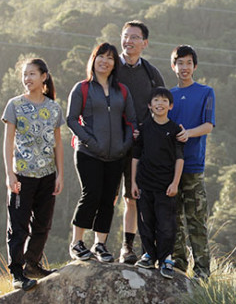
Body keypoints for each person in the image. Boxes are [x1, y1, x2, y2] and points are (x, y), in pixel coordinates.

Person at [66, 43, 136, 262]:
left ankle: (100, 245)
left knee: (108, 199)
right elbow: (71, 119)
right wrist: (88, 141)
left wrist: (124, 145)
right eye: (101, 57)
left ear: (115, 64)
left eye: (110, 58)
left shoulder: (122, 90)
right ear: (93, 60)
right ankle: (77, 243)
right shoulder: (82, 88)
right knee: (91, 194)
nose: (105, 62)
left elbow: (131, 121)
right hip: (88, 153)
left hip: (116, 155)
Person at [1, 58, 65, 291]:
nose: (27, 79)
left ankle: (33, 264)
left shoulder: (54, 107)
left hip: (47, 176)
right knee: (18, 226)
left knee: (42, 225)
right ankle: (17, 273)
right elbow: (8, 142)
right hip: (22, 175)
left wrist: (60, 175)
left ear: (44, 77)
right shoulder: (15, 105)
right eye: (24, 75)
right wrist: (10, 174)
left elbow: (58, 143)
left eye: (32, 74)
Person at [116, 20, 166, 264]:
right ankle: (97, 245)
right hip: (110, 143)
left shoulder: (151, 73)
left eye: (135, 37)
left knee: (132, 197)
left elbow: (161, 106)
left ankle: (127, 248)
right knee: (103, 196)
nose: (129, 41)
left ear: (144, 43)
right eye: (126, 36)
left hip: (139, 146)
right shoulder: (111, 66)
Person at [169, 45, 215, 278]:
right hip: (169, 169)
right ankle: (178, 266)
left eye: (188, 63)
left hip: (193, 166)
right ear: (173, 66)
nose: (184, 67)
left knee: (196, 220)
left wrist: (188, 132)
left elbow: (208, 126)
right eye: (180, 63)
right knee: (173, 220)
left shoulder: (206, 92)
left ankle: (202, 272)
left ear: (194, 66)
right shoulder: (169, 96)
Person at [131, 87, 184, 279]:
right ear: (149, 105)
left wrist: (175, 183)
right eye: (156, 100)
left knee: (166, 224)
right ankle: (148, 255)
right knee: (146, 222)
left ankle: (165, 259)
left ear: (170, 105)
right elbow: (135, 157)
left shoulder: (175, 129)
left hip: (166, 186)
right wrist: (133, 183)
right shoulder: (144, 128)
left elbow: (179, 158)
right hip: (145, 184)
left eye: (164, 101)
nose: (159, 104)